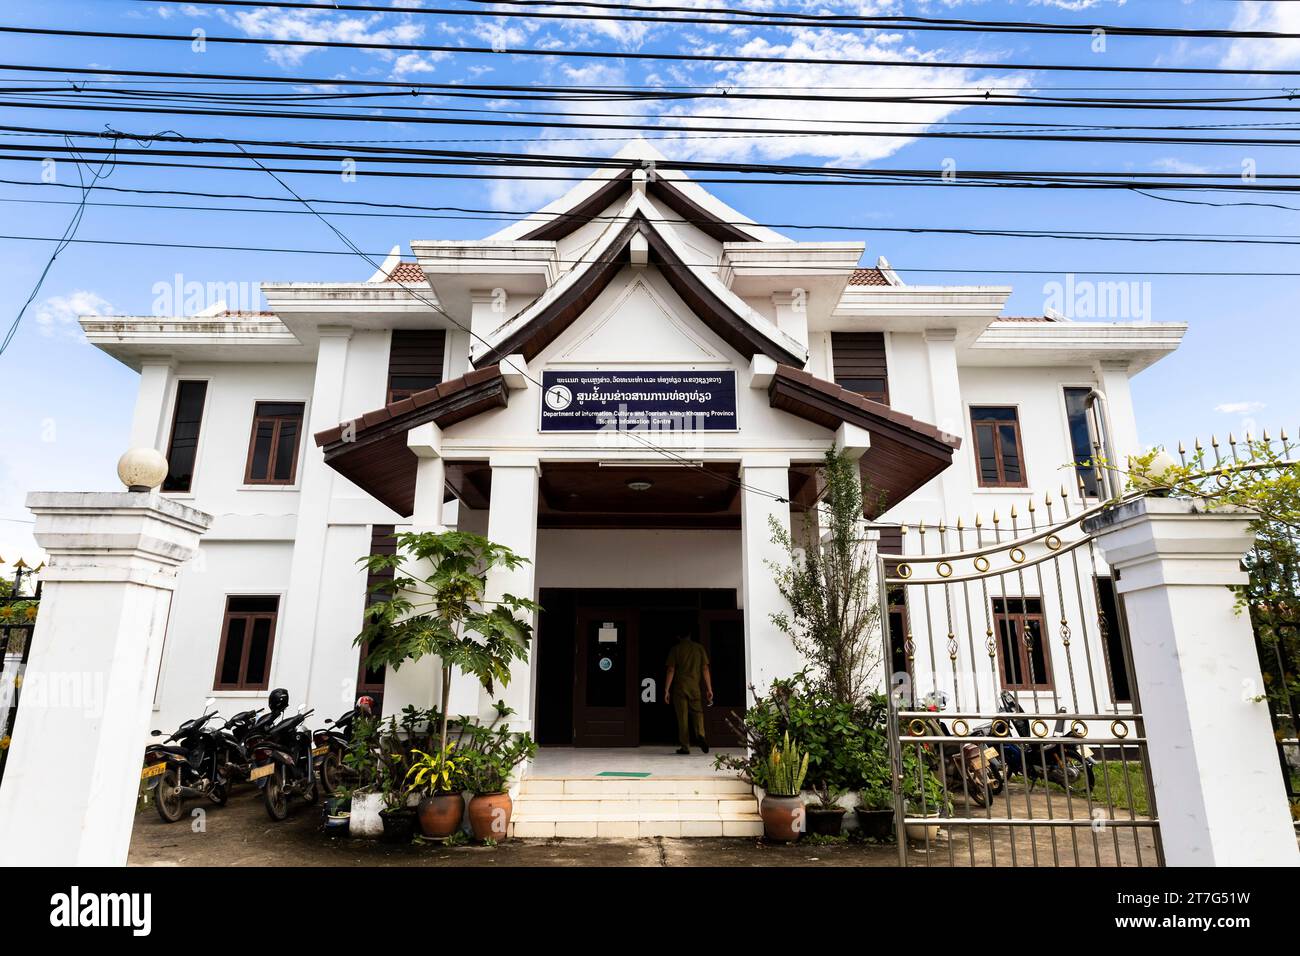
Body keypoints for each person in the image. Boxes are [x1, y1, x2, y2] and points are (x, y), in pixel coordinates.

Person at [664, 632, 713, 754]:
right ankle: (701, 734)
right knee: (698, 713)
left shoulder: (676, 649)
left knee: (682, 717)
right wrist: (709, 688)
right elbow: (705, 668)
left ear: (678, 636)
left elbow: (671, 669)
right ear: (690, 635)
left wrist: (666, 689)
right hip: (694, 688)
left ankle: (685, 746)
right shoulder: (699, 649)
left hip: (680, 688)